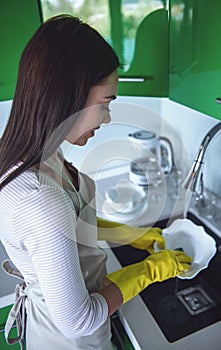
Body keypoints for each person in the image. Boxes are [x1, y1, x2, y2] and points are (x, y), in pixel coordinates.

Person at [0, 15, 192, 350]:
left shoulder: (37, 158)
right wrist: (149, 271)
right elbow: (79, 320)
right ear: (66, 96)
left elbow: (70, 224)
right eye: (105, 104)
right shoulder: (39, 201)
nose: (108, 118)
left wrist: (130, 235)